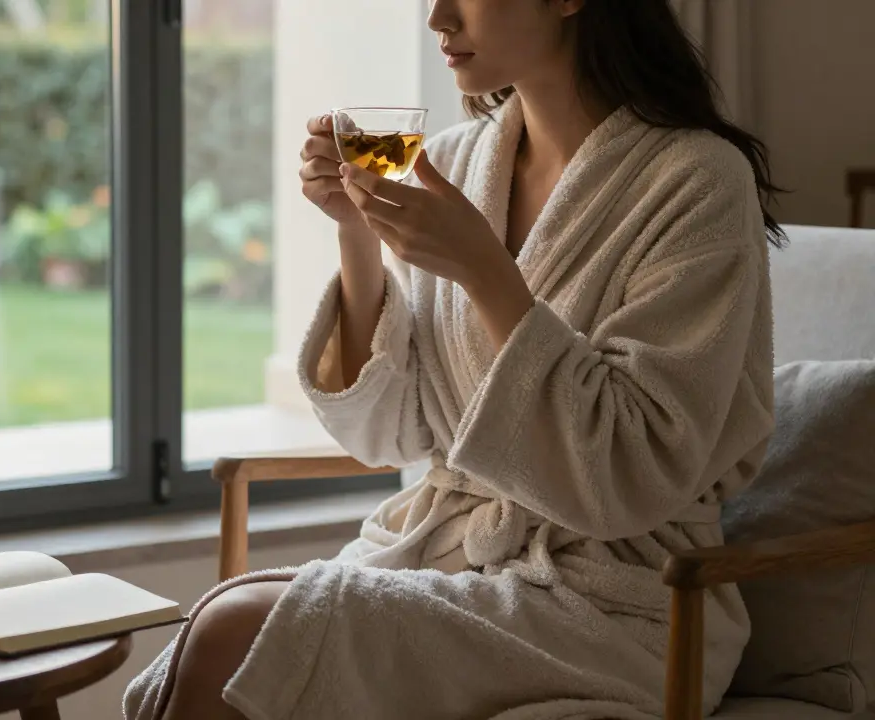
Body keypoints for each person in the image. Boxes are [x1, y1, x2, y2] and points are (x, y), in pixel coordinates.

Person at [125, 0, 783, 718]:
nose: (438, 17)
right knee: (224, 630)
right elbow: (389, 433)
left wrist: (485, 270)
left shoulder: (696, 180)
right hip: (450, 558)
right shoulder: (458, 162)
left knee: (235, 631)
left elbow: (635, 467)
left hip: (620, 603)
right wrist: (356, 232)